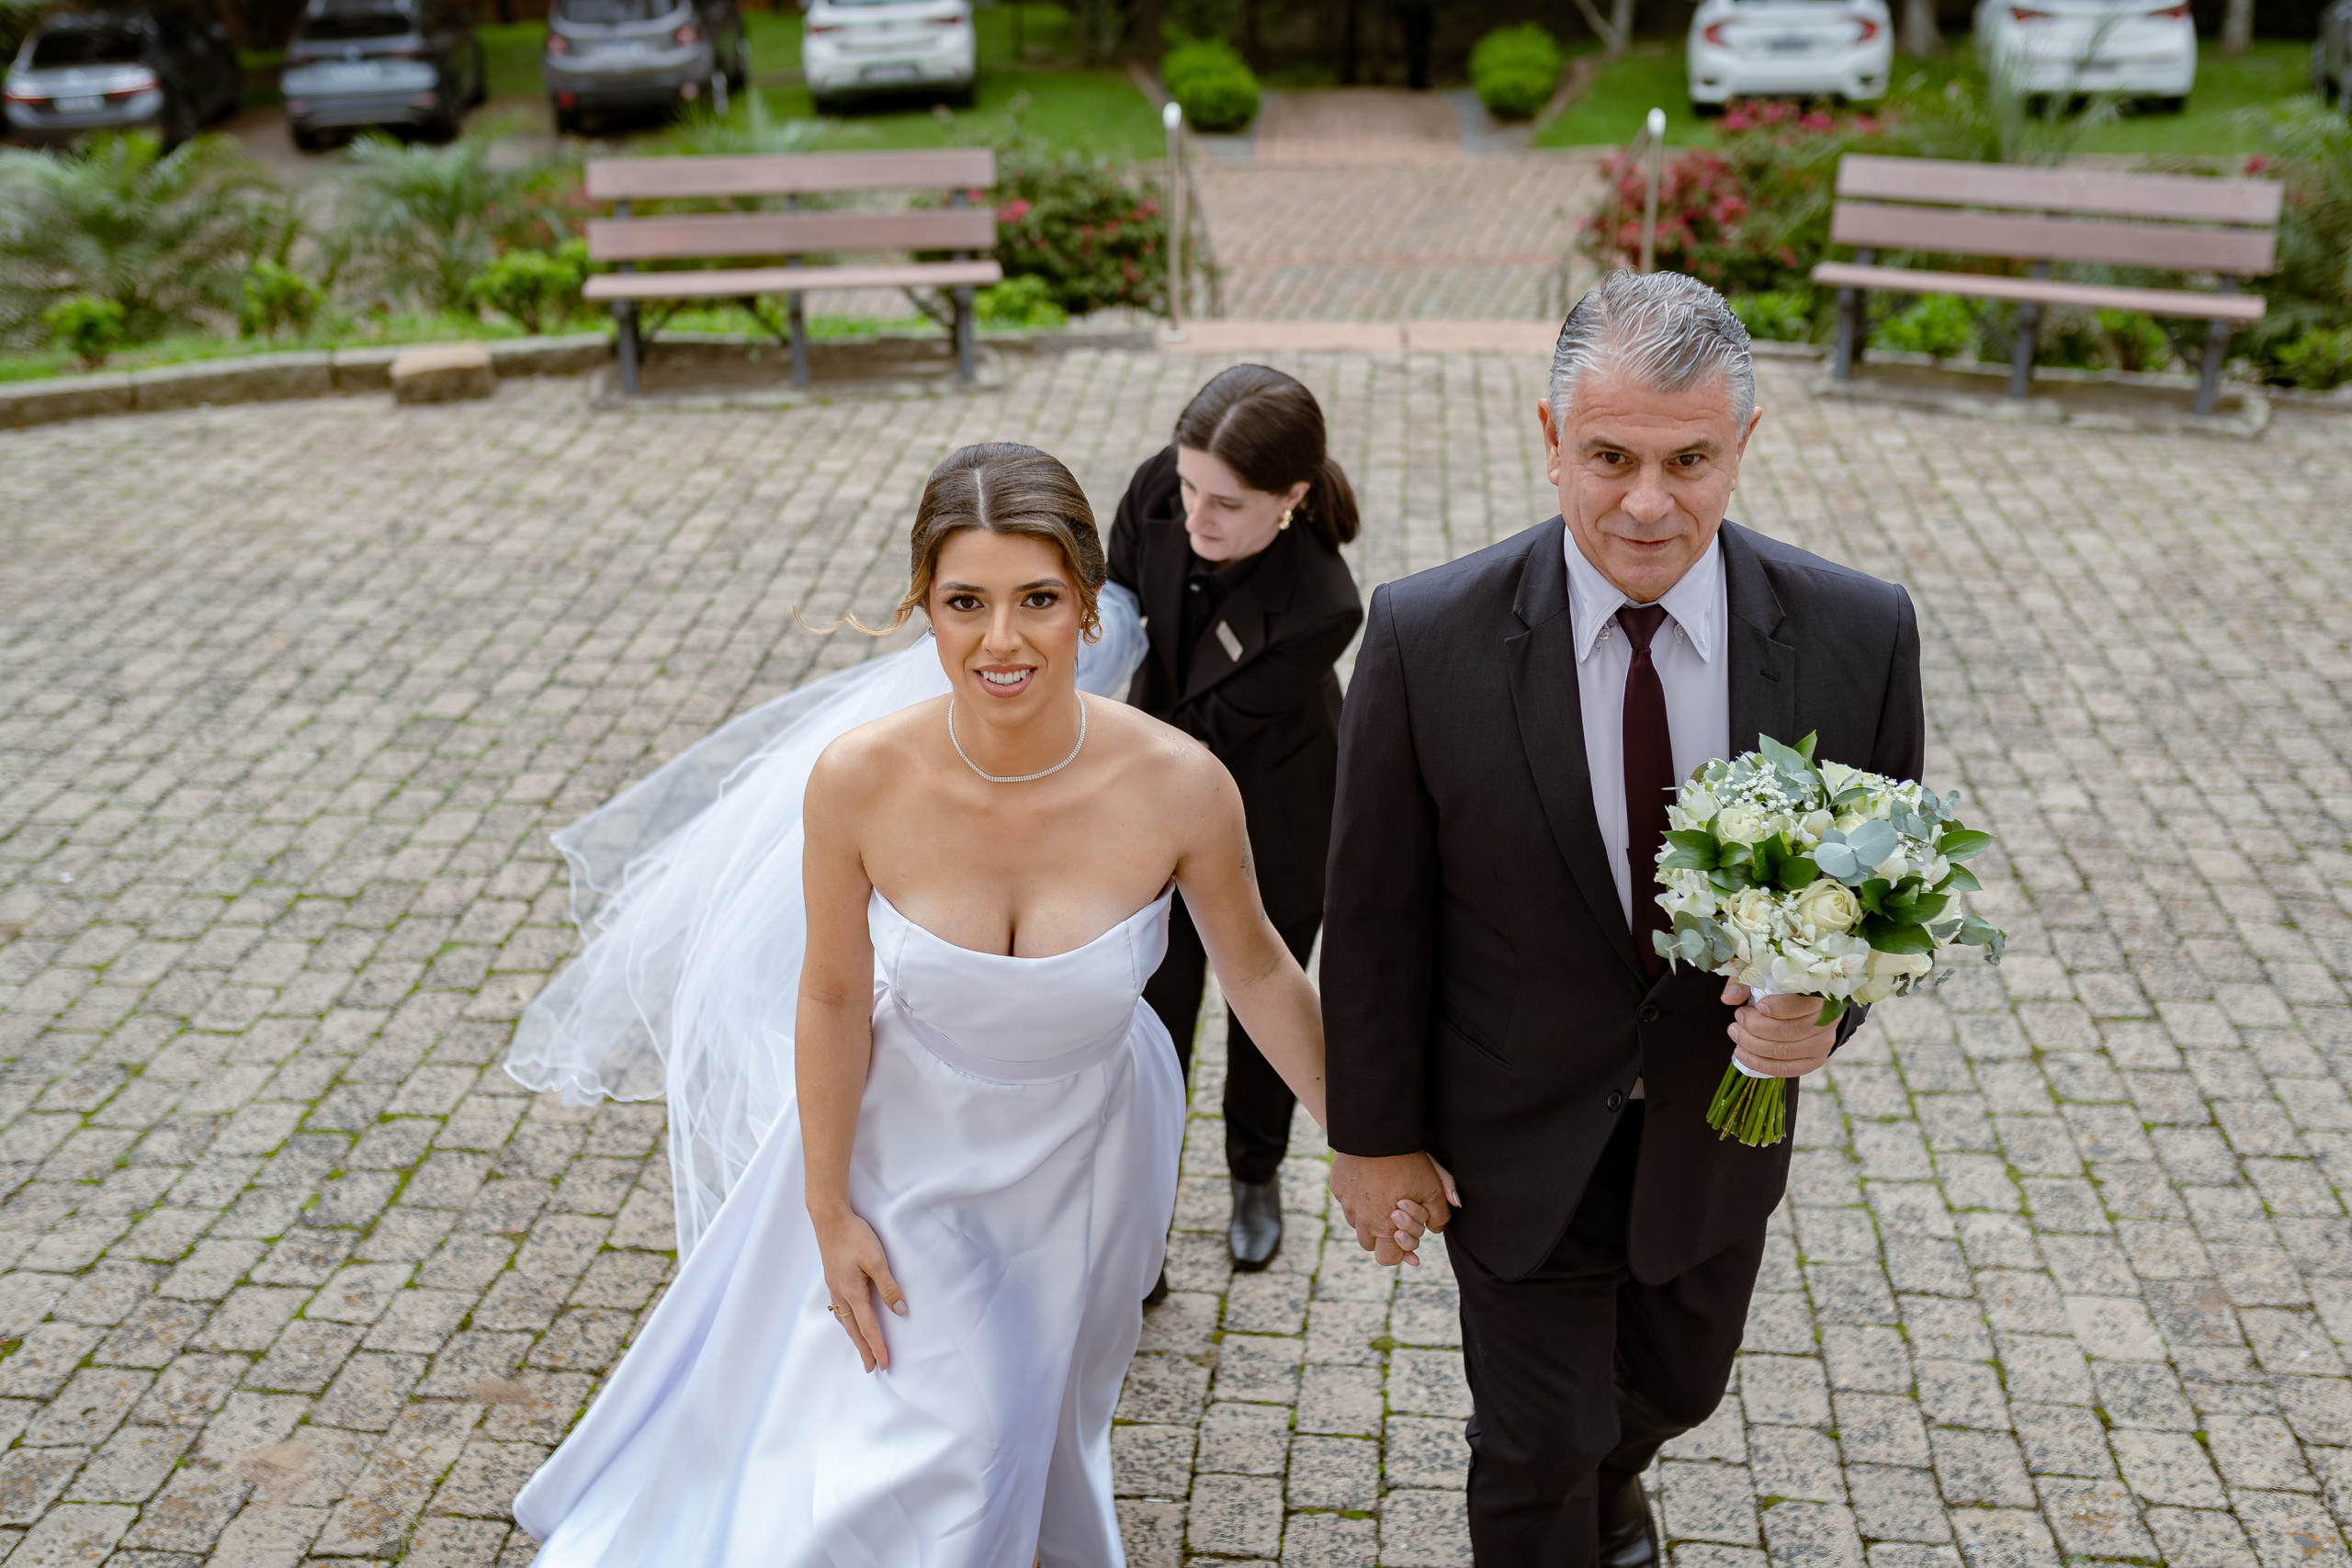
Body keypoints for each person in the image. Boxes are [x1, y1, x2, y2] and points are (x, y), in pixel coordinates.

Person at [507, 443, 1331, 1567]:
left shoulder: (1180, 784)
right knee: (941, 1447)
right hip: (905, 1155)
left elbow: (1260, 972)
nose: (1001, 641)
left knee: (1024, 1424)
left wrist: (1368, 1140)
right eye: (965, 603)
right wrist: (827, 1209)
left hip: (1088, 1163)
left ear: (1088, 604)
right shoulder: (860, 780)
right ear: (922, 609)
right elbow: (832, 993)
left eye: (1037, 599)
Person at [1320, 270, 1926, 1567]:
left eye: (1688, 460)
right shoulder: (1424, 639)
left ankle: (1611, 1476)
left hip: (1717, 1133)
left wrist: (1825, 1015)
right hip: (1512, 1135)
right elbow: (1372, 918)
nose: (1648, 503)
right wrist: (1372, 1138)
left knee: (1670, 1394)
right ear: (1551, 441)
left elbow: (1881, 890)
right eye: (1609, 457)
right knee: (1533, 1448)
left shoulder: (1858, 634)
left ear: (1742, 444)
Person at [1107, 364, 1363, 1277]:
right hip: (1152, 772)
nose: (1195, 516)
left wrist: (1087, 759)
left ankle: (1256, 1173)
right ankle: (1142, 1202)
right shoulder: (1161, 484)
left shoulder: (1324, 603)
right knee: (1154, 999)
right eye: (1189, 489)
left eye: (1225, 503)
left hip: (1273, 808)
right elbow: (1110, 605)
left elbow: (1200, 732)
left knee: (1265, 1003)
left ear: (1290, 498)